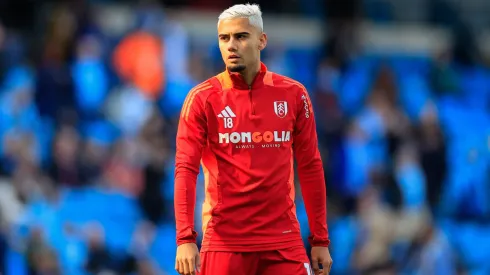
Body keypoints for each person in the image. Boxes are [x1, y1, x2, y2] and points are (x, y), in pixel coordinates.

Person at [174, 4, 332, 275]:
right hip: (225, 243)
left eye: (241, 36)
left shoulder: (294, 95)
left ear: (262, 40)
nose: (231, 45)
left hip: (283, 241)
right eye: (224, 38)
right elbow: (185, 170)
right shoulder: (202, 99)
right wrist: (185, 239)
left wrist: (320, 239)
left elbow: (310, 167)